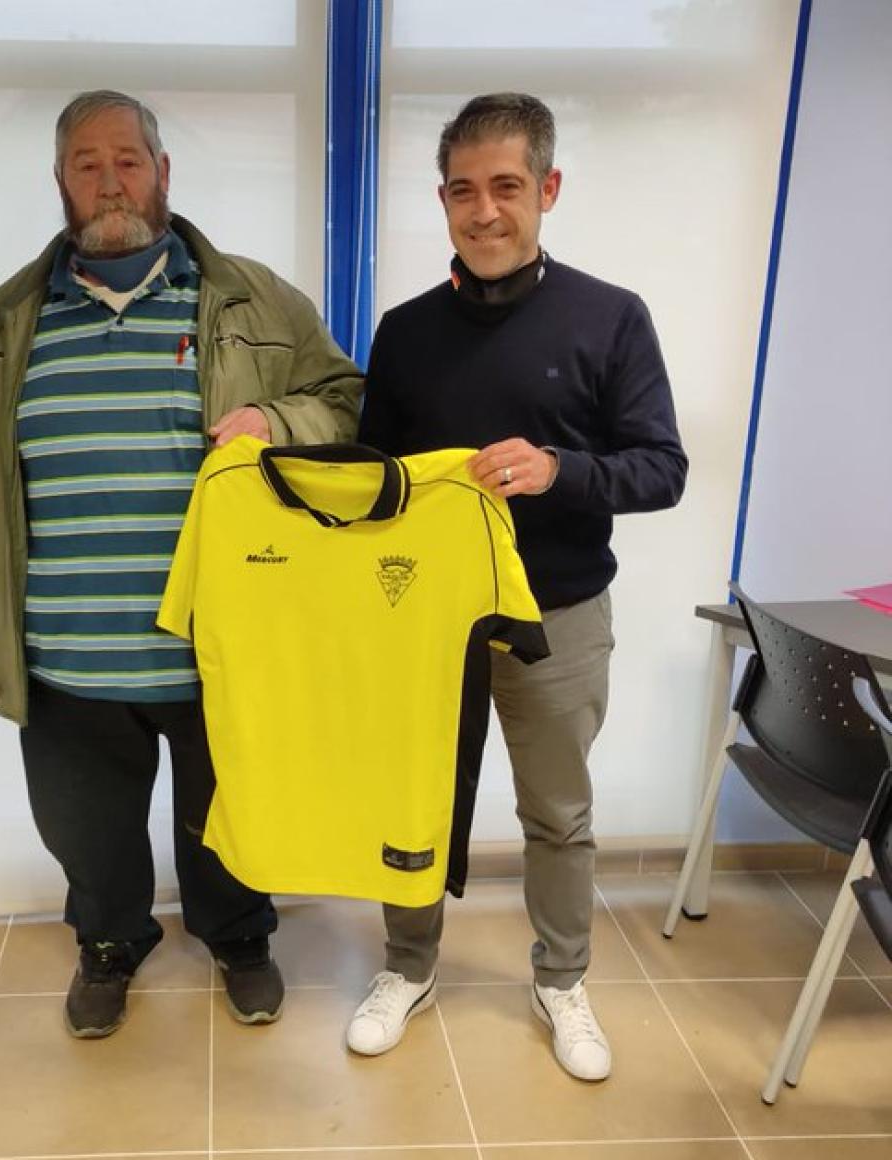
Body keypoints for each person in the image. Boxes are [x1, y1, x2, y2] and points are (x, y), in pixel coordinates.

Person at [0, 90, 361, 1039]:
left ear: (163, 173)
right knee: (89, 832)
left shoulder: (255, 300)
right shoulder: (4, 323)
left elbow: (347, 407)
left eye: (128, 158)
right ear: (61, 183)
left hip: (220, 645)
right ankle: (109, 945)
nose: (109, 178)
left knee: (227, 820)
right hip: (66, 649)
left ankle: (239, 936)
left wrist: (275, 420)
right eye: (86, 162)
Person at [350, 93, 687, 1080]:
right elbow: (376, 483)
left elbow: (661, 468)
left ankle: (561, 978)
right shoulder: (404, 331)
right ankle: (406, 965)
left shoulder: (611, 317)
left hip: (561, 612)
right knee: (413, 799)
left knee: (558, 813)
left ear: (546, 189)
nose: (484, 210)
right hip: (429, 619)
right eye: (464, 190)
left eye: (506, 186)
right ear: (443, 200)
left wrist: (560, 469)